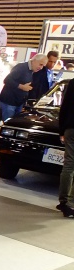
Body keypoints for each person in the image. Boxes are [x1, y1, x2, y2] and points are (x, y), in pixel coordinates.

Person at [0, 53, 47, 121]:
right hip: (9, 102)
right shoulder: (21, 67)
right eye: (40, 64)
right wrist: (21, 87)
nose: (41, 68)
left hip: (18, 103)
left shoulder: (32, 70)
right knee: (9, 124)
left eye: (43, 66)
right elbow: (7, 80)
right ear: (34, 60)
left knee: (14, 124)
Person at [58, 80, 74, 218]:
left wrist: (61, 130)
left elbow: (65, 106)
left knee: (69, 164)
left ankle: (64, 201)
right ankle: (72, 203)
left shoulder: (73, 83)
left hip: (71, 128)